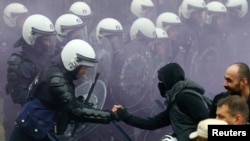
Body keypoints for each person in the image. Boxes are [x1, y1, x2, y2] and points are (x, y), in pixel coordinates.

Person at [10, 39, 119, 141]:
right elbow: (74, 111)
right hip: (29, 135)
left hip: (39, 130)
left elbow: (65, 105)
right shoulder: (56, 78)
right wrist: (110, 115)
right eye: (83, 67)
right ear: (73, 63)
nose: (85, 72)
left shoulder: (60, 73)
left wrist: (82, 105)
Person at [112, 62, 210, 141]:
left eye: (161, 80)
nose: (159, 83)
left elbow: (208, 121)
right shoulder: (175, 102)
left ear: (169, 79)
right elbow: (153, 123)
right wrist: (125, 116)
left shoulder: (185, 96)